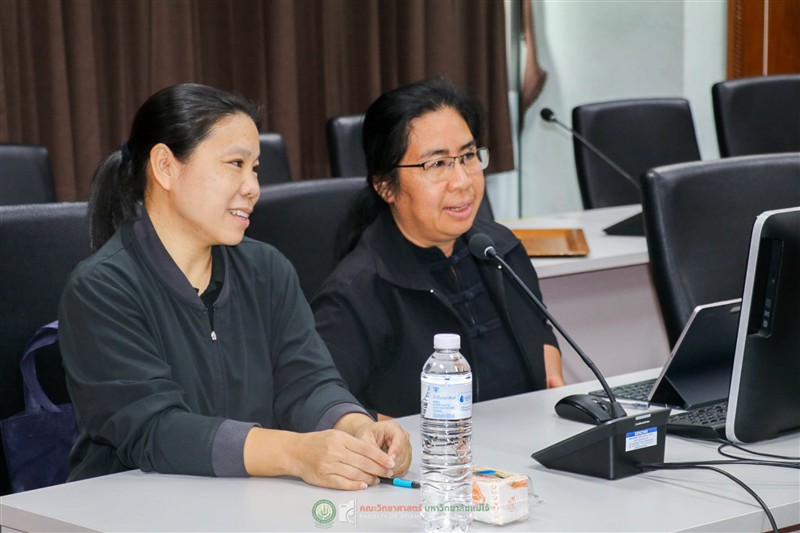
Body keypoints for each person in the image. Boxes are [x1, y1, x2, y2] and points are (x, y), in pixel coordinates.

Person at [58, 83, 410, 491]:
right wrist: (295, 453)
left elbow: (308, 382)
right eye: (235, 164)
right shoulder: (101, 288)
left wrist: (356, 428)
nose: (253, 187)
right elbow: (155, 429)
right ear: (165, 167)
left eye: (254, 168)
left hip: (242, 501)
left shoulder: (267, 269)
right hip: (123, 506)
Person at [312, 78, 566, 418]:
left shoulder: (501, 251)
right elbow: (322, 406)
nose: (462, 181)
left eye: (468, 156)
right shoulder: (356, 293)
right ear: (385, 186)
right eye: (437, 164)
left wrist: (549, 367)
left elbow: (539, 333)